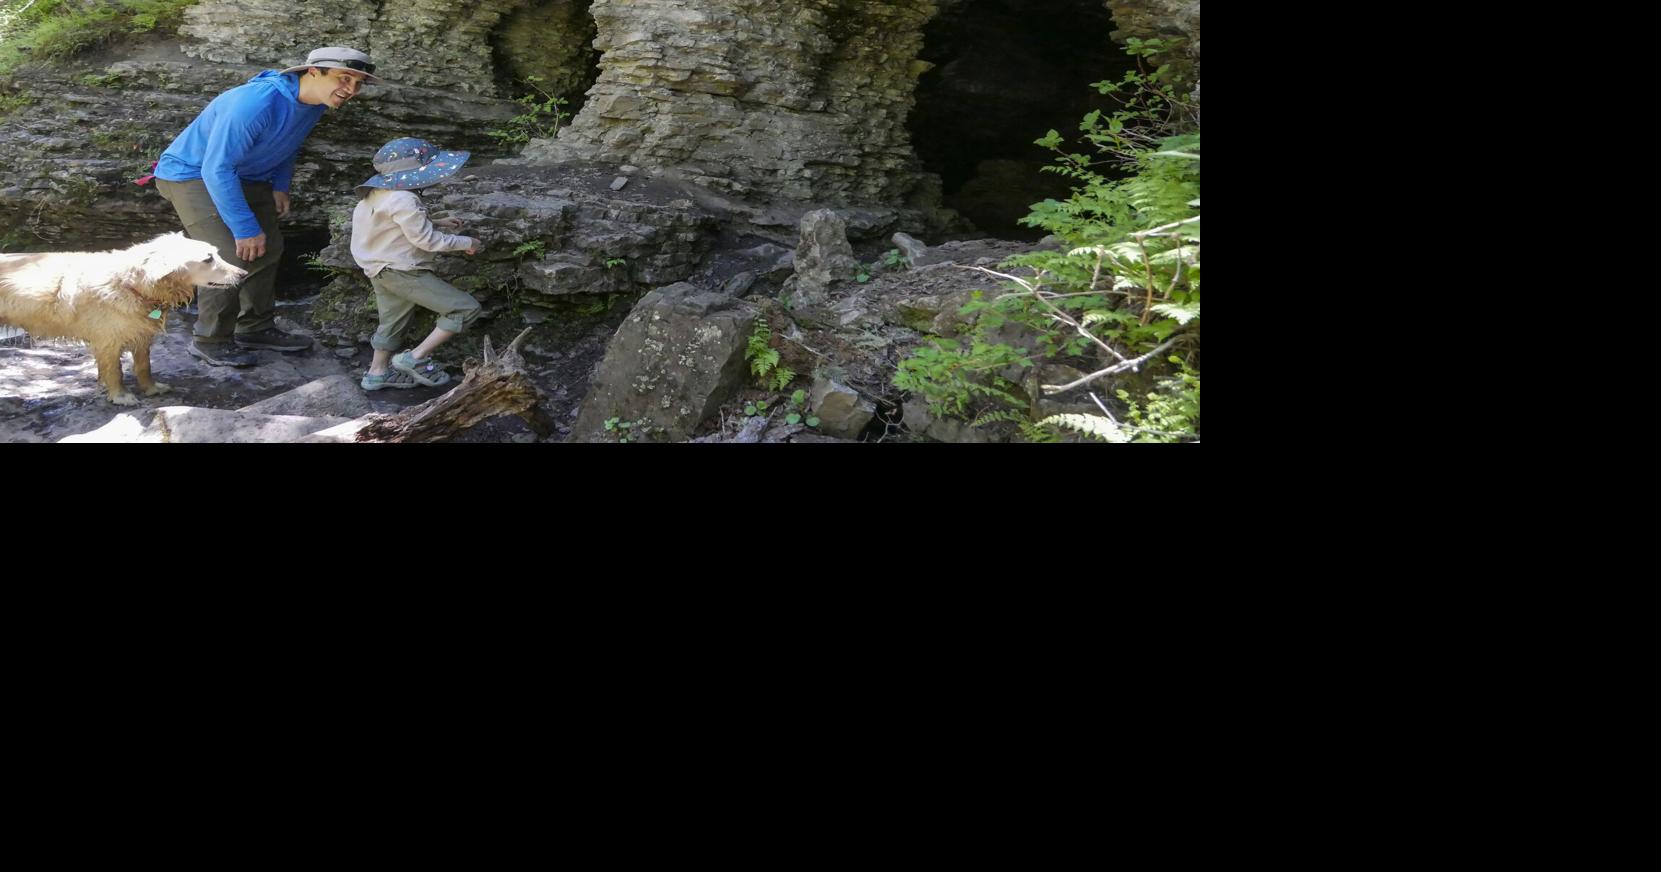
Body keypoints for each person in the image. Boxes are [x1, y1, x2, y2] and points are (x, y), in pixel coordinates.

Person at [151, 46, 381, 367]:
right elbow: (216, 168)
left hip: (246, 176)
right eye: (344, 79)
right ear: (313, 72)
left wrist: (279, 186)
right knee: (229, 254)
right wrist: (244, 228)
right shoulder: (255, 103)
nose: (351, 91)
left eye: (358, 84)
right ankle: (210, 339)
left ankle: (255, 328)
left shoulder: (314, 103)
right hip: (192, 175)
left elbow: (288, 144)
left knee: (269, 248)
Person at [349, 137, 483, 391]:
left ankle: (376, 374)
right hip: (403, 270)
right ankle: (414, 358)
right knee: (465, 309)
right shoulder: (405, 200)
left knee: (391, 321)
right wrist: (467, 242)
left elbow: (394, 226)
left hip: (379, 270)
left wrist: (438, 221)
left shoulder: (374, 196)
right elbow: (426, 240)